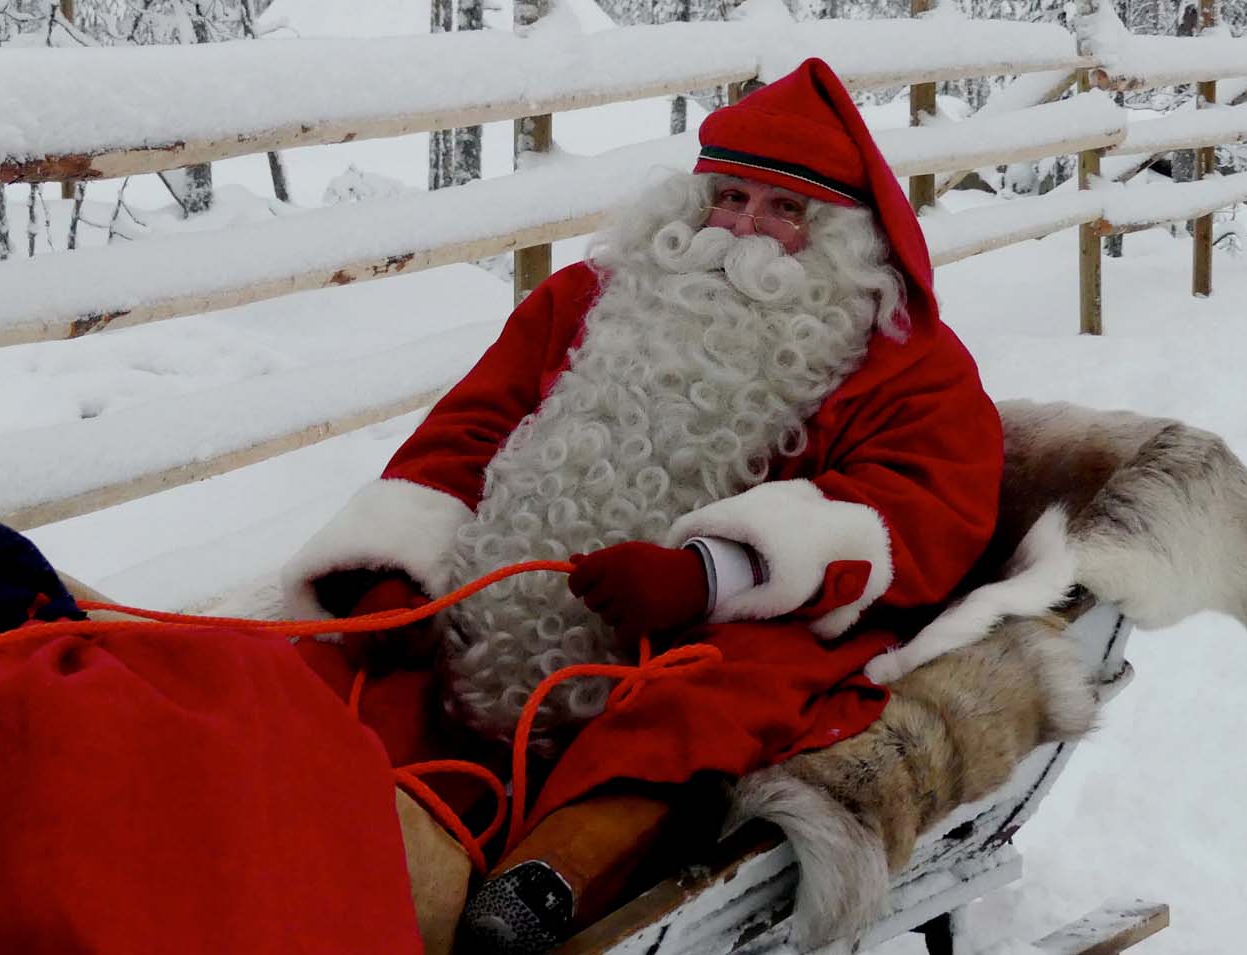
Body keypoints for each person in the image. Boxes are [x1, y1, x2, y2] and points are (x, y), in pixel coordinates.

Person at [282, 58, 1005, 835]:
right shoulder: (583, 300)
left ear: (842, 241)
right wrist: (396, 570)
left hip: (704, 638)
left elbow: (926, 508)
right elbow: (467, 429)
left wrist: (710, 575)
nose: (742, 232)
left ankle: (559, 874)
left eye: (783, 210)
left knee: (714, 703)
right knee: (328, 687)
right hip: (490, 616)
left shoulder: (907, 361)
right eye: (729, 198)